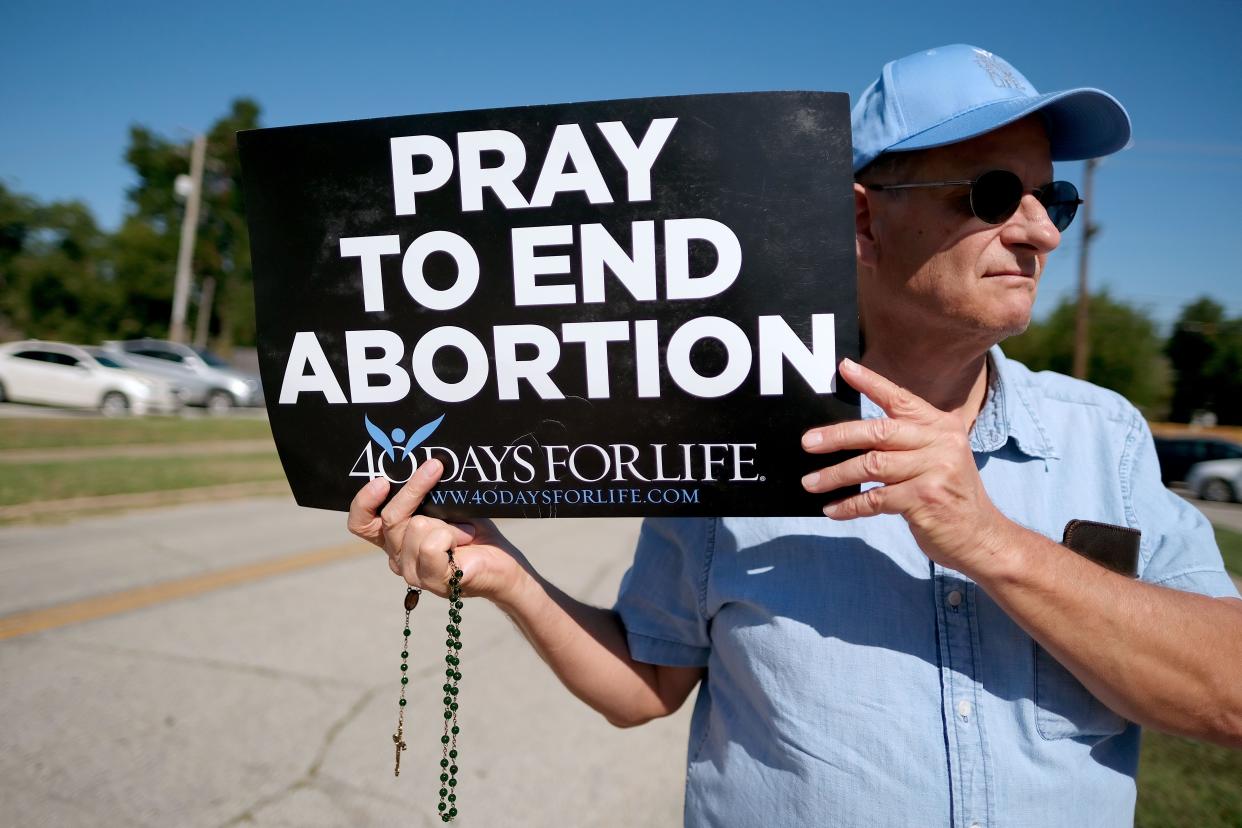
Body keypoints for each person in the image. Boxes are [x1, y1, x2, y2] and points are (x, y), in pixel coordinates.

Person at [349, 44, 1242, 827]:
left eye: (1053, 197)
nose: (1042, 229)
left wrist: (991, 542)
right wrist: (508, 576)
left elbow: (1228, 694)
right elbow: (646, 687)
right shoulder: (732, 431)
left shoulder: (1107, 438)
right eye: (996, 192)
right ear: (862, 218)